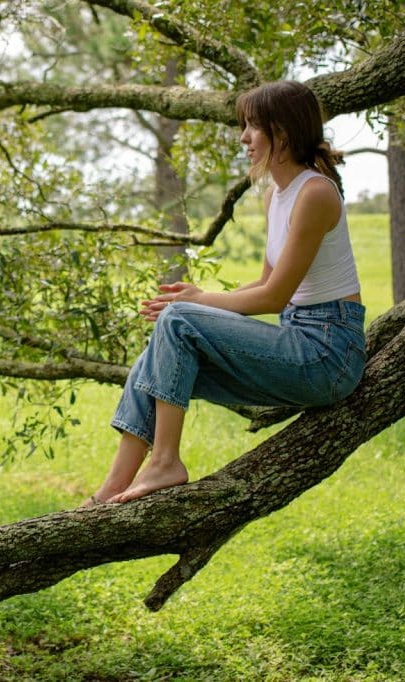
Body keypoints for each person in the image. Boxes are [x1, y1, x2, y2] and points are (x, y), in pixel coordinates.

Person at [86, 80, 366, 505]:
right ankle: (110, 490)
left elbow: (273, 298)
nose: (243, 137)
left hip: (328, 355)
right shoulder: (279, 195)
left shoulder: (315, 193)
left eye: (253, 126)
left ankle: (165, 462)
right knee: (158, 354)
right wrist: (200, 295)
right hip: (300, 339)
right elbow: (265, 284)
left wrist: (192, 305)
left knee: (176, 322)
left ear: (284, 132)